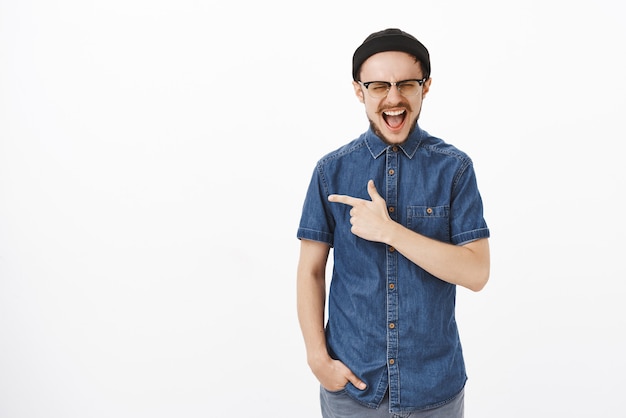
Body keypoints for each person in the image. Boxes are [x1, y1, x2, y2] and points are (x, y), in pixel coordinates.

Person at [296, 28, 491, 417]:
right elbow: (311, 271)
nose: (393, 97)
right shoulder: (329, 172)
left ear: (426, 87)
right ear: (359, 91)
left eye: (406, 84)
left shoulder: (454, 170)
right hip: (352, 389)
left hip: (434, 389)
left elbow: (476, 272)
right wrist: (318, 359)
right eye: (379, 85)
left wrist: (390, 232)